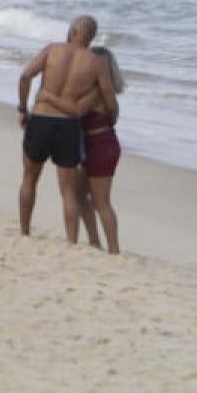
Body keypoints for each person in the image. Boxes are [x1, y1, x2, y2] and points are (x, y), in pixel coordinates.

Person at [16, 14, 114, 243]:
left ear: (73, 31)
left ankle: (25, 231)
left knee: (30, 178)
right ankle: (72, 241)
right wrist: (110, 120)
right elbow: (109, 98)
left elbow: (26, 75)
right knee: (69, 190)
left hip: (41, 118)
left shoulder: (52, 49)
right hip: (68, 124)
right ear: (91, 37)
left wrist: (22, 107)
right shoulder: (96, 62)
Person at [74, 45, 126, 255]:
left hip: (100, 145)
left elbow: (77, 111)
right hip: (95, 143)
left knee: (101, 201)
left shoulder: (98, 92)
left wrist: (49, 99)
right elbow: (112, 117)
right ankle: (94, 241)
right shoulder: (105, 93)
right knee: (81, 196)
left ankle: (113, 248)